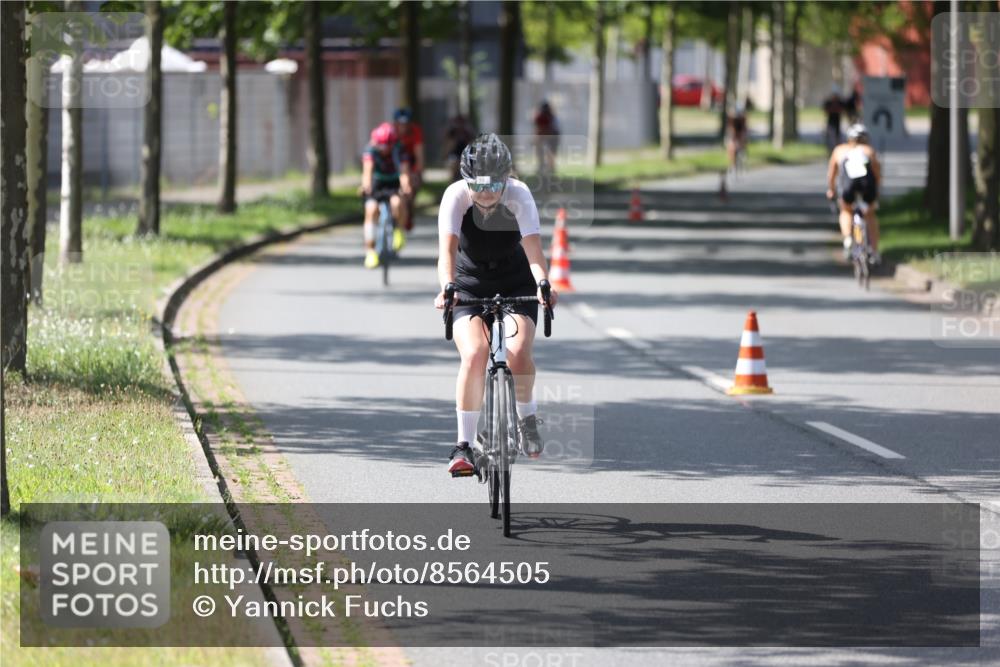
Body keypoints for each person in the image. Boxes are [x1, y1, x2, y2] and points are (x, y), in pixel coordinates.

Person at [434, 133, 558, 476]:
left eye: (493, 185)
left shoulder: (519, 194)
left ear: (506, 179)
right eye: (477, 185)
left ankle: (526, 418)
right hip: (468, 281)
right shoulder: (455, 197)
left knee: (518, 352)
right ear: (465, 180)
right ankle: (463, 445)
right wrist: (447, 287)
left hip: (516, 278)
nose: (485, 194)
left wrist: (544, 285)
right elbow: (445, 253)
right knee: (474, 353)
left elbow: (534, 251)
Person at [826, 123, 882, 264]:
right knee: (870, 214)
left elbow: (832, 173)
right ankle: (874, 252)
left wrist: (831, 189)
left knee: (845, 210)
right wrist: (876, 193)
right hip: (867, 188)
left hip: (847, 188)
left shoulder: (840, 150)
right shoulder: (869, 150)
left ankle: (848, 238)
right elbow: (877, 174)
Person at [360, 122, 411, 269]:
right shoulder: (370, 149)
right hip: (377, 183)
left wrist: (406, 186)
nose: (385, 149)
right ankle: (370, 251)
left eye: (388, 145)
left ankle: (399, 230)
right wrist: (366, 186)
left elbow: (404, 172)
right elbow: (367, 171)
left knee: (397, 203)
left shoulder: (399, 149)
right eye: (382, 146)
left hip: (393, 182)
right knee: (371, 210)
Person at [392, 107, 424, 231]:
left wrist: (417, 173)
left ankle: (408, 211)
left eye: (405, 124)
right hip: (394, 164)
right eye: (400, 124)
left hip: (410, 163)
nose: (403, 127)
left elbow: (419, 155)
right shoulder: (391, 133)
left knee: (409, 189)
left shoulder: (415, 131)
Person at [444, 113, 475, 182]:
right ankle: (453, 182)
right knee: (453, 164)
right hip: (454, 155)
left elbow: (471, 146)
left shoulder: (467, 133)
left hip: (465, 155)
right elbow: (448, 146)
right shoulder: (452, 133)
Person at [533, 101, 560, 179]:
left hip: (553, 137)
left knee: (551, 154)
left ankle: (551, 169)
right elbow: (538, 129)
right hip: (545, 137)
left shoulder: (552, 118)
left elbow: (552, 131)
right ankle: (541, 167)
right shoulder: (539, 117)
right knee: (540, 151)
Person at [725, 102, 748, 171]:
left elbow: (744, 129)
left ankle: (743, 152)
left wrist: (743, 137)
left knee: (743, 141)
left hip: (740, 131)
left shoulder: (743, 118)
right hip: (733, 131)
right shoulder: (730, 117)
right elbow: (730, 128)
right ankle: (732, 163)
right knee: (731, 146)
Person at [822, 87, 844, 154]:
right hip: (830, 121)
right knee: (830, 136)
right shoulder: (829, 102)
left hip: (837, 121)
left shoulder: (840, 102)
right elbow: (825, 110)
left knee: (837, 136)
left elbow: (842, 109)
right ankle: (830, 150)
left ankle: (837, 149)